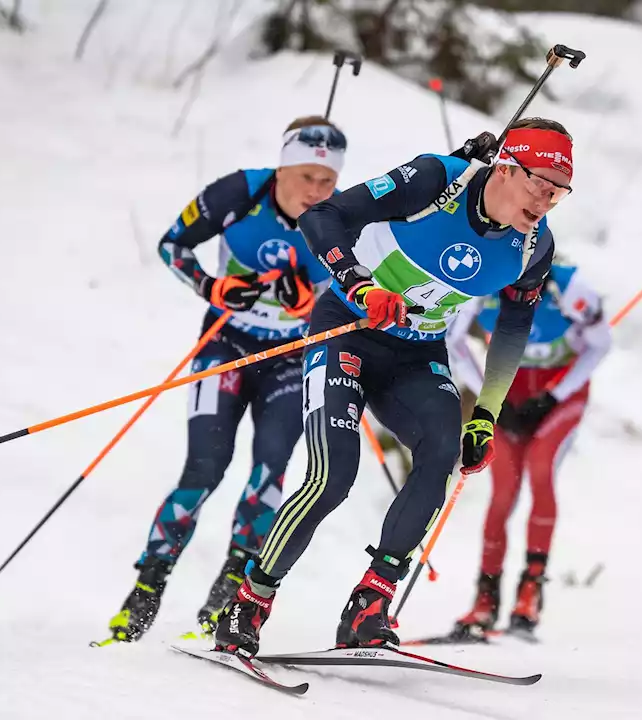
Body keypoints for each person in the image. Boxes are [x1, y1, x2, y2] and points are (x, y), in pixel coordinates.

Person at [213, 118, 577, 657]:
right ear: (505, 165)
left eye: (558, 190)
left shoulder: (533, 249)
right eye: (537, 181)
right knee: (333, 475)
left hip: (418, 352)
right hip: (349, 330)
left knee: (441, 453)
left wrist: (487, 414)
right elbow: (324, 216)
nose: (545, 199)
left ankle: (370, 602)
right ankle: (249, 600)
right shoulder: (436, 181)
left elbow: (513, 329)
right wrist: (359, 283)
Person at [103, 116, 348, 644]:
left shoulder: (340, 216)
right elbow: (173, 245)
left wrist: (310, 302)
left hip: (290, 357)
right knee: (204, 469)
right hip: (227, 347)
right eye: (306, 176)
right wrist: (212, 287)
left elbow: (349, 292)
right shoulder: (239, 191)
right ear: (282, 165)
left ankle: (226, 597)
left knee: (270, 470)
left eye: (327, 180)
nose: (317, 190)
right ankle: (143, 594)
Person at [445, 261, 611, 639]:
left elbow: (601, 344)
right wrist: (490, 401)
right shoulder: (483, 284)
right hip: (507, 395)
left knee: (539, 468)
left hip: (558, 397)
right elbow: (453, 343)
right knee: (503, 490)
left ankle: (530, 592)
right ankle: (484, 601)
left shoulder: (568, 289)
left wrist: (554, 396)